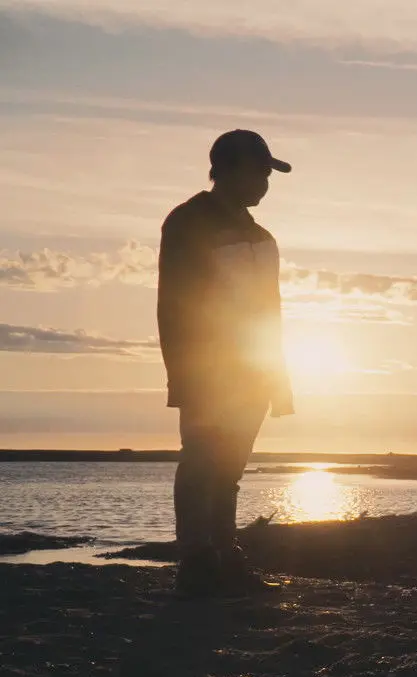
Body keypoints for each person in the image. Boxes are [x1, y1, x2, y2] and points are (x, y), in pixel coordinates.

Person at [159, 130, 295, 598]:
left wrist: (278, 378)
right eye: (261, 172)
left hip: (254, 374)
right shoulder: (188, 222)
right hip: (208, 371)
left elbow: (270, 313)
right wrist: (184, 376)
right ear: (230, 169)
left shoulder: (262, 237)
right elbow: (174, 306)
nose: (265, 184)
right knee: (201, 462)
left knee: (230, 470)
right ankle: (197, 564)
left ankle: (224, 557)